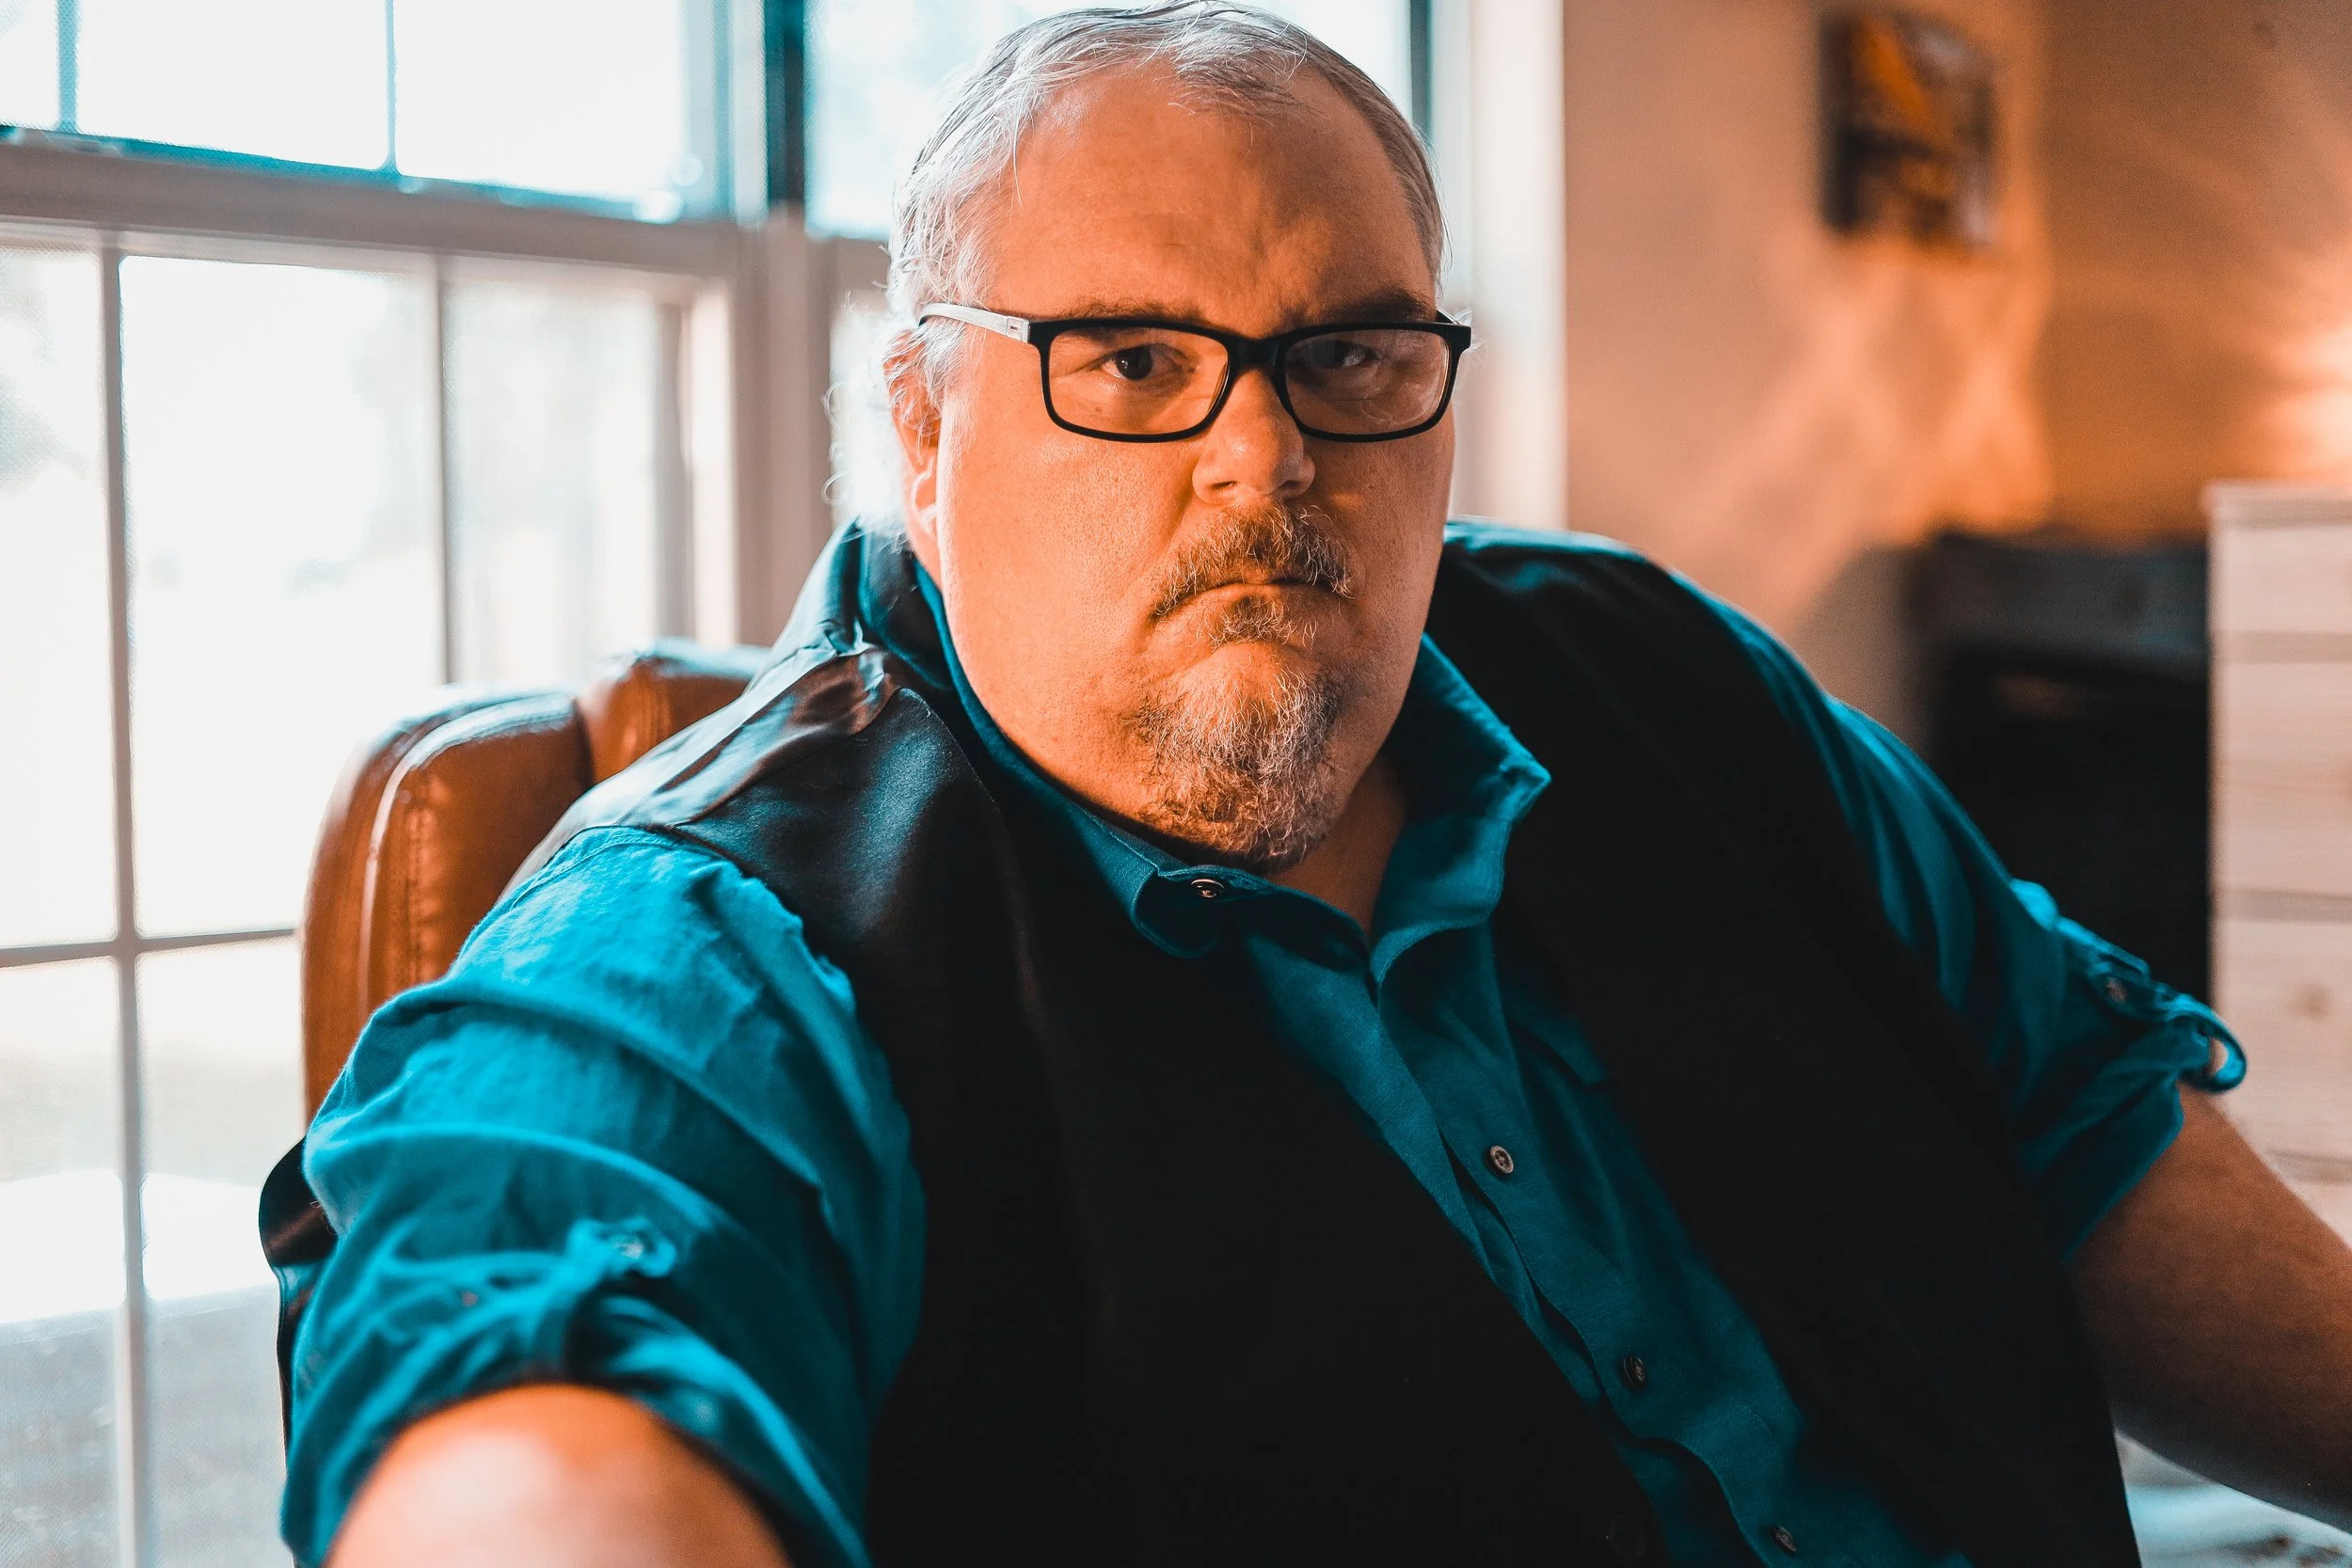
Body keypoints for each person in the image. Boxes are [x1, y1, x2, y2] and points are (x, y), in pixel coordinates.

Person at [277, 6, 2352, 1566]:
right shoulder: (713, 934)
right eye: (1131, 362)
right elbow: (532, 1365)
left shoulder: (1668, 679)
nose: (1262, 461)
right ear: (919, 427)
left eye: (1349, 358)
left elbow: (2078, 1124)